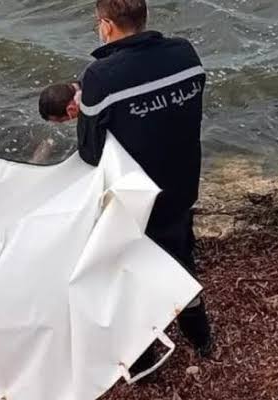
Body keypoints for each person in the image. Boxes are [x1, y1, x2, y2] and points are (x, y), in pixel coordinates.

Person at [43, 0, 213, 370]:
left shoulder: (100, 78)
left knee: (128, 276)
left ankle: (142, 363)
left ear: (106, 25)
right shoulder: (185, 54)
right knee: (180, 259)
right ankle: (202, 339)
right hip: (182, 183)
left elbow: (91, 153)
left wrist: (89, 111)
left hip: (136, 198)